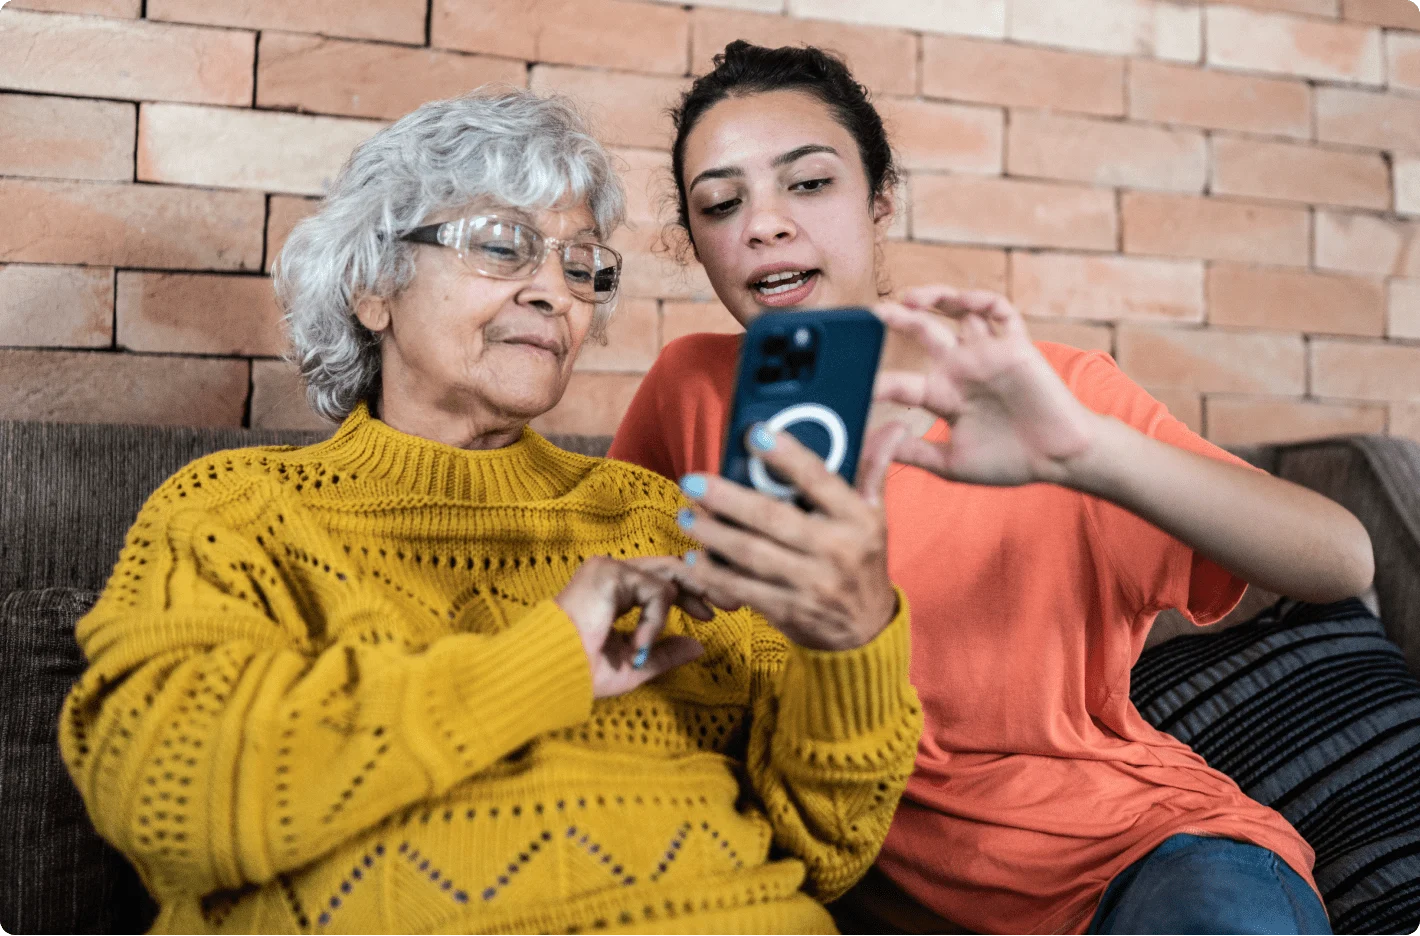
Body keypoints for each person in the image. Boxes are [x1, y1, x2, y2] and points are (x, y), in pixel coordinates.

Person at [57, 89, 924, 936]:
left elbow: (826, 848)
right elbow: (167, 798)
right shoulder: (237, 511)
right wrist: (547, 658)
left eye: (580, 263)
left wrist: (849, 641)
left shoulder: (656, 519)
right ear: (373, 285)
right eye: (504, 247)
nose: (557, 292)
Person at [608, 41, 1374, 936]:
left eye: (808, 184)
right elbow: (620, 615)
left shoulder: (1044, 389)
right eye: (721, 203)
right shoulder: (691, 389)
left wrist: (1085, 452)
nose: (763, 225)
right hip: (843, 876)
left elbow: (1341, 558)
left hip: (1134, 865)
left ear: (880, 200)